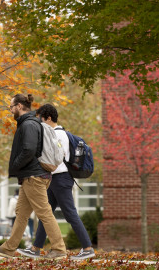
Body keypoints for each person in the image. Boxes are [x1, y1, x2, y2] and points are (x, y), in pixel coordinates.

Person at [0, 94, 67, 260]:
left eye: (11, 107)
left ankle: (59, 249)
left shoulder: (29, 124)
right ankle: (9, 248)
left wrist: (14, 165)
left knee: (44, 212)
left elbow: (29, 150)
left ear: (18, 106)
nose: (10, 110)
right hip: (30, 176)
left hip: (34, 176)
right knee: (21, 213)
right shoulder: (29, 123)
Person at [18, 103, 95, 261]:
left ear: (49, 118)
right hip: (54, 179)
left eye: (41, 120)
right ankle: (35, 248)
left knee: (70, 214)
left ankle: (87, 248)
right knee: (46, 214)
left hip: (60, 179)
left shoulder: (57, 135)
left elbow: (55, 159)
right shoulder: (54, 133)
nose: (39, 124)